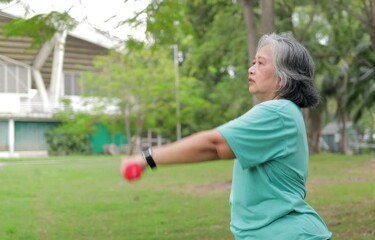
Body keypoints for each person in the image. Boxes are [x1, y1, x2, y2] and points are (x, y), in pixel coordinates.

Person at [121, 32, 332, 239]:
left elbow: (214, 145)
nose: (251, 69)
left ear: (282, 79)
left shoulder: (278, 113)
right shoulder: (284, 113)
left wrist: (145, 158)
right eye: (253, 62)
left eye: (260, 63)